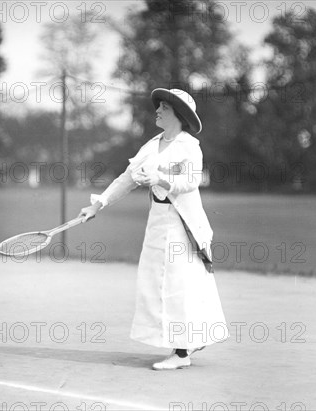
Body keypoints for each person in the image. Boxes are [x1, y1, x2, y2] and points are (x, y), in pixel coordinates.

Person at [78, 88, 228, 370]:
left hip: (183, 226)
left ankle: (182, 353)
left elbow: (190, 183)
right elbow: (127, 179)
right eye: (158, 107)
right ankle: (188, 342)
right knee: (157, 284)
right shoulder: (151, 145)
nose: (157, 111)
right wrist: (97, 205)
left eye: (164, 108)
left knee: (179, 285)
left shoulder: (189, 146)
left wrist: (160, 177)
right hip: (158, 224)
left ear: (178, 114)